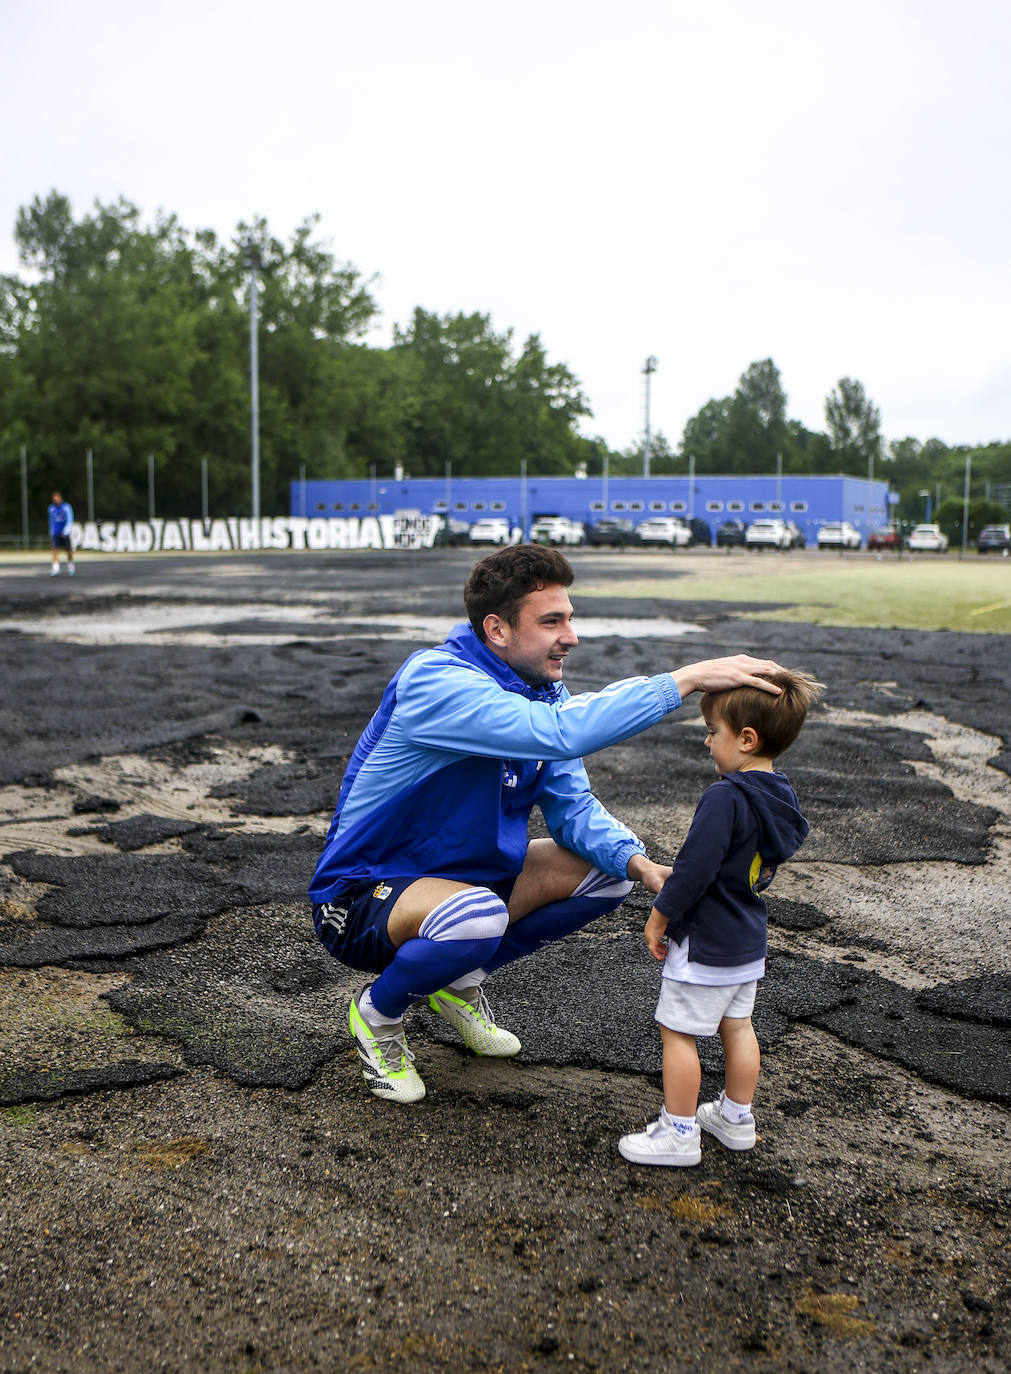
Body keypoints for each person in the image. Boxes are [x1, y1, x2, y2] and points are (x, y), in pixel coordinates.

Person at [309, 544, 786, 1104]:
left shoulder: (541, 691)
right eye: (551, 621)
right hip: (362, 896)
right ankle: (377, 1017)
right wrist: (684, 679)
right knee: (477, 916)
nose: (571, 636)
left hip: (459, 890)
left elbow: (574, 809)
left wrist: (641, 865)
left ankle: (457, 984)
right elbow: (559, 732)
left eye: (570, 618)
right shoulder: (435, 683)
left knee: (605, 872)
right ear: (498, 629)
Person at [618, 668, 822, 1166]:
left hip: (706, 940)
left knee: (678, 1032)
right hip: (748, 941)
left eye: (713, 733)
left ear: (746, 740)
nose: (708, 743)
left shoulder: (725, 797)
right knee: (738, 1026)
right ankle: (735, 1118)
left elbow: (693, 870)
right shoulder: (781, 796)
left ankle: (679, 1133)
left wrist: (659, 916)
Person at [47, 492, 75, 576]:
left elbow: (70, 520)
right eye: (54, 499)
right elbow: (51, 521)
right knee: (55, 550)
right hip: (56, 533)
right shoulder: (51, 508)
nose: (56, 501)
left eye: (57, 499)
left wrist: (66, 531)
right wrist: (51, 532)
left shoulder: (66, 507)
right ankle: (55, 568)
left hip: (64, 534)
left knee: (68, 551)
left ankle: (71, 566)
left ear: (60, 498)